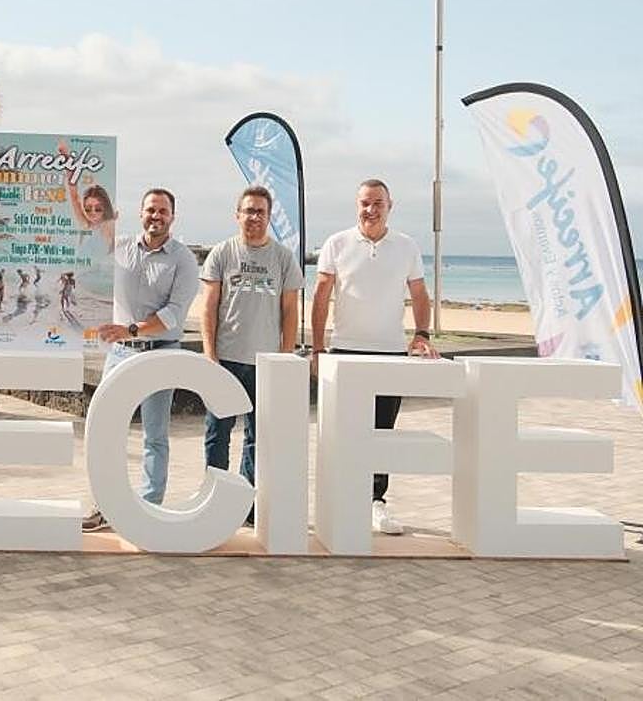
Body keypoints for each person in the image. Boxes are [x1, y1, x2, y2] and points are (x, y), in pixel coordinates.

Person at [311, 178, 438, 536]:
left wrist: (422, 335)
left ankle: (376, 502)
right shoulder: (337, 244)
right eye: (365, 203)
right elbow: (321, 296)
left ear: (389, 206)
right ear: (357, 206)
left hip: (390, 353)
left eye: (377, 203)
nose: (371, 209)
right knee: (342, 432)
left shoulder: (407, 247)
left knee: (382, 434)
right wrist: (318, 348)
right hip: (343, 352)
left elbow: (419, 293)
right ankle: (341, 499)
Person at [83, 188, 199, 532]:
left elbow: (175, 314)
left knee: (155, 435)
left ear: (172, 217)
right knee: (108, 432)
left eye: (163, 211)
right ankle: (104, 506)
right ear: (140, 213)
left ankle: (148, 508)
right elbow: (86, 253)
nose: (156, 216)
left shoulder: (183, 259)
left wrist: (130, 329)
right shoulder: (121, 248)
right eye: (151, 210)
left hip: (161, 353)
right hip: (119, 355)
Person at [200, 186, 302, 526]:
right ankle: (214, 500)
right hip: (227, 359)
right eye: (248, 211)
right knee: (218, 434)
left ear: (269, 217)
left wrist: (285, 358)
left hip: (266, 363)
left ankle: (247, 505)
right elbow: (209, 307)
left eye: (260, 211)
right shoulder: (222, 253)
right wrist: (210, 355)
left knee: (259, 437)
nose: (254, 217)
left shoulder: (283, 258)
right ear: (237, 215)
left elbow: (290, 311)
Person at [59, 140, 116, 250]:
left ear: (105, 207)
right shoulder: (85, 226)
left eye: (98, 209)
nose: (93, 212)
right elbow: (74, 196)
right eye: (88, 209)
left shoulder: (109, 225)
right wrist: (66, 158)